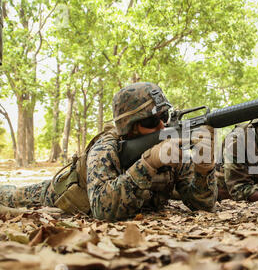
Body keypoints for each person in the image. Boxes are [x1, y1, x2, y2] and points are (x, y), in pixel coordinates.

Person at [0, 82, 217, 221]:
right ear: (129, 126)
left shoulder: (172, 146)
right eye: (152, 121)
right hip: (61, 194)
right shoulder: (106, 147)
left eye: (164, 117)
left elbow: (203, 204)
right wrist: (149, 163)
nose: (162, 127)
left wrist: (204, 168)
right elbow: (102, 210)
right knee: (9, 195)